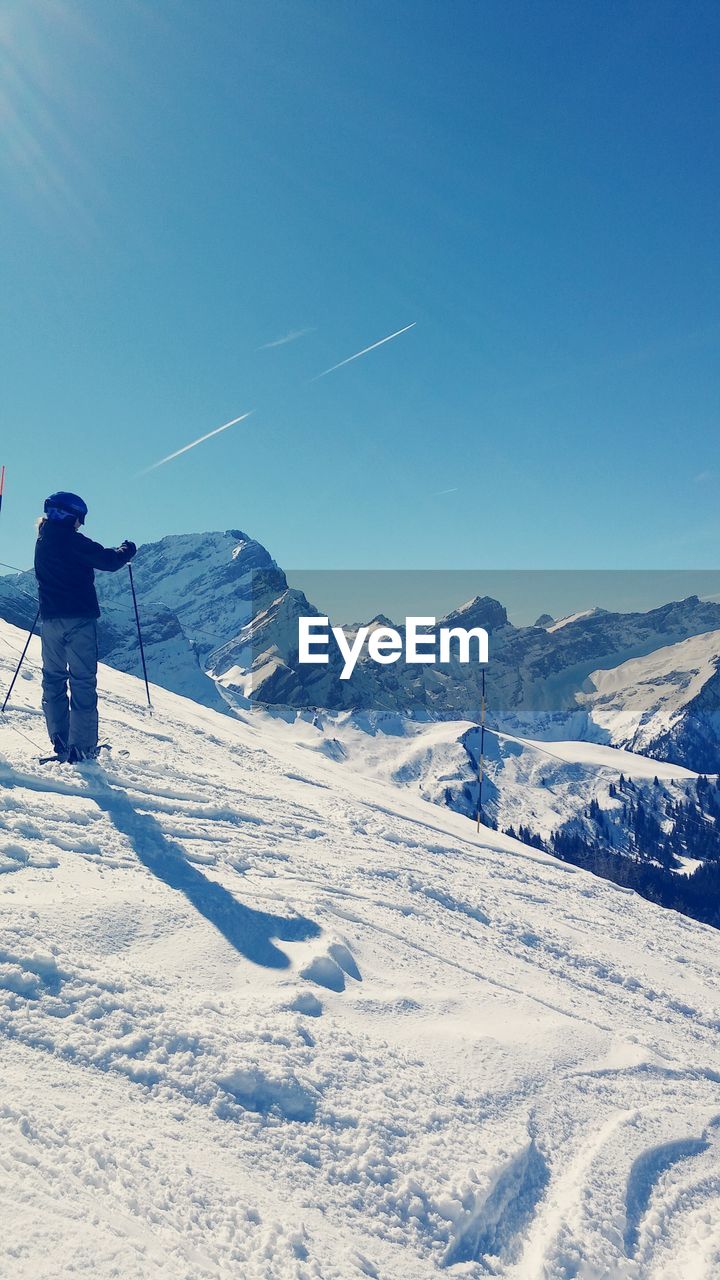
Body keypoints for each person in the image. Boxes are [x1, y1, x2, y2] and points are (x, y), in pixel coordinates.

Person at [34, 491, 137, 762]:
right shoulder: (72, 540)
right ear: (73, 517)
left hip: (50, 621)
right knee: (82, 682)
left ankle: (60, 740)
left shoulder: (42, 539)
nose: (80, 524)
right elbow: (109, 561)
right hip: (78, 620)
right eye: (80, 519)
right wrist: (128, 549)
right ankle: (81, 749)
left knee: (53, 679)